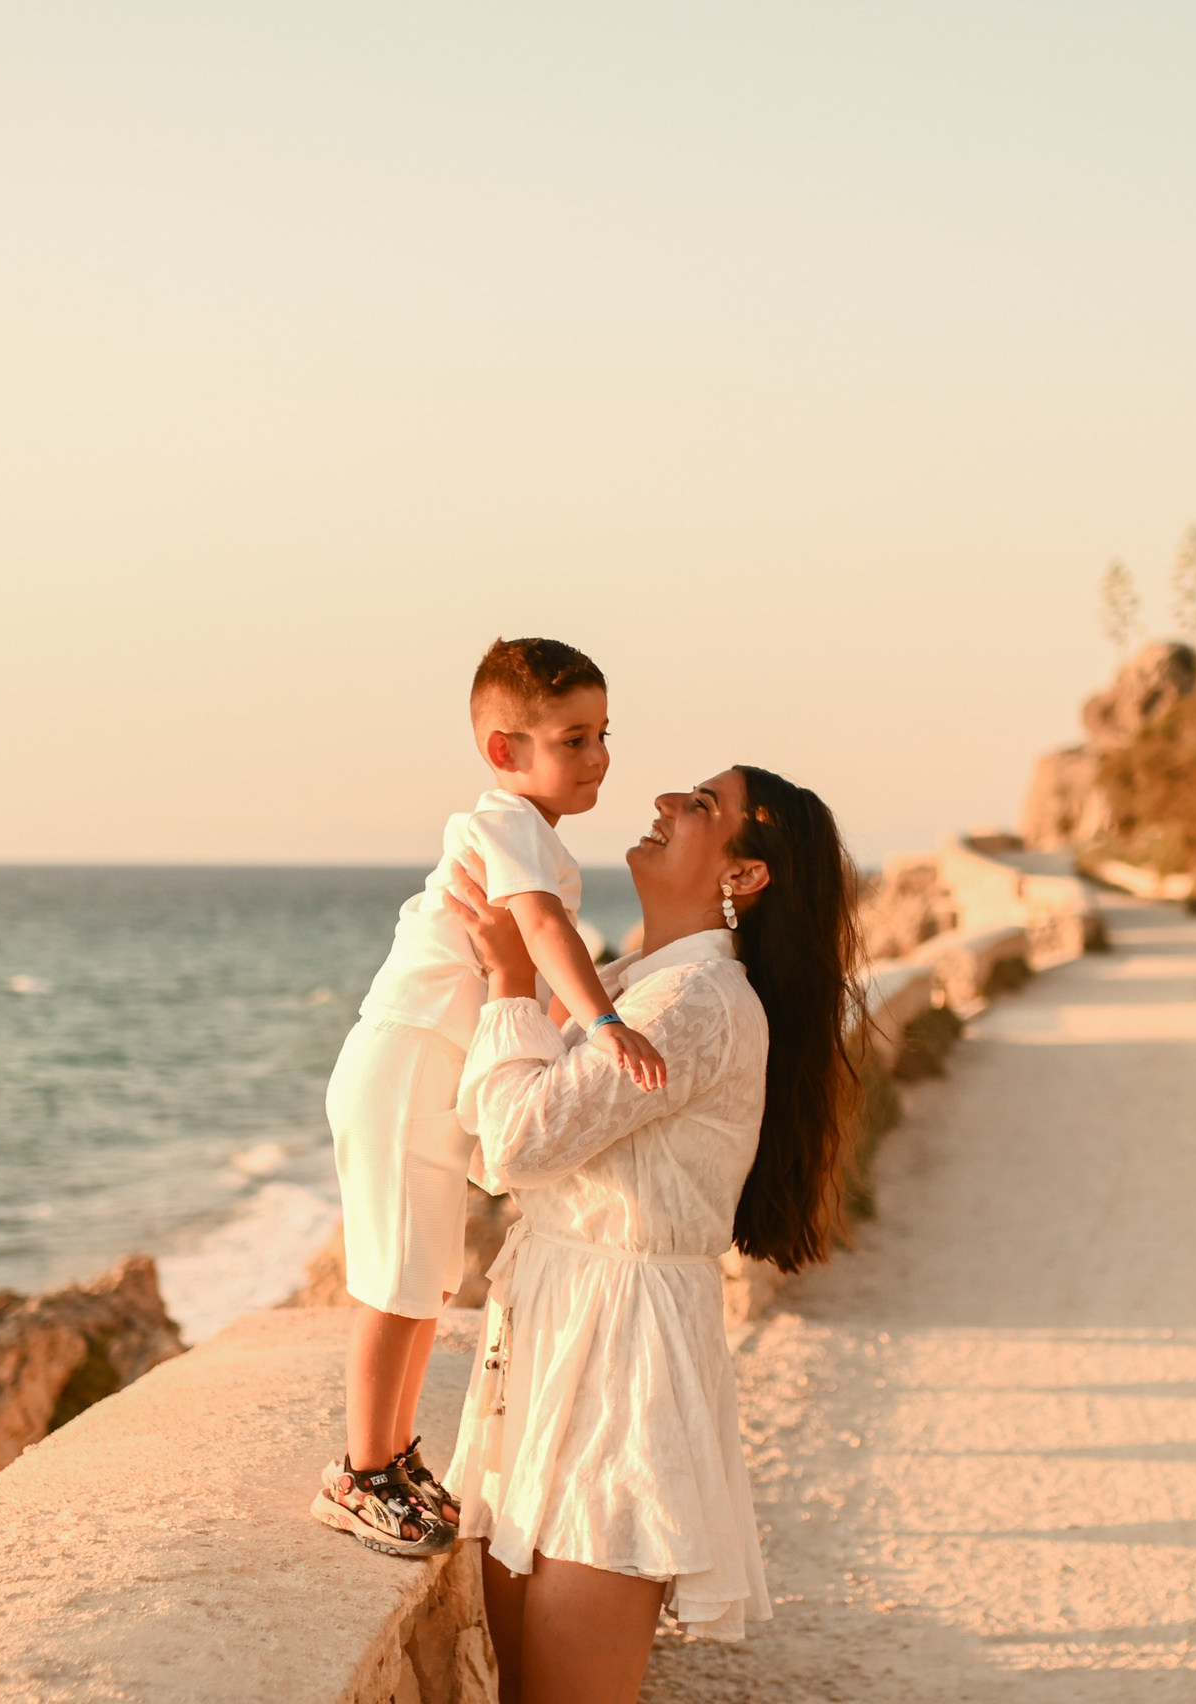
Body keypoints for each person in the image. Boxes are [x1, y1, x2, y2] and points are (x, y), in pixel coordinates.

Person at [443, 765, 859, 1704]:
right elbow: (498, 1147)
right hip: (556, 1325)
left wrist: (511, 980)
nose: (666, 800)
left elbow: (513, 1140)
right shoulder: (633, 986)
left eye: (703, 806)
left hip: (621, 1348)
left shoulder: (696, 1003)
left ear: (745, 877)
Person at [312, 637, 667, 1559]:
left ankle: (391, 1459)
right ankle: (358, 1474)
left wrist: (562, 1043)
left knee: (426, 1280)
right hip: (405, 1065)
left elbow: (533, 977)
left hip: (435, 1075)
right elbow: (542, 933)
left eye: (603, 736)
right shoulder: (501, 821)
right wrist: (602, 1024)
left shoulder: (540, 841)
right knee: (394, 1283)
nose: (599, 758)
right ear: (505, 751)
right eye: (574, 739)